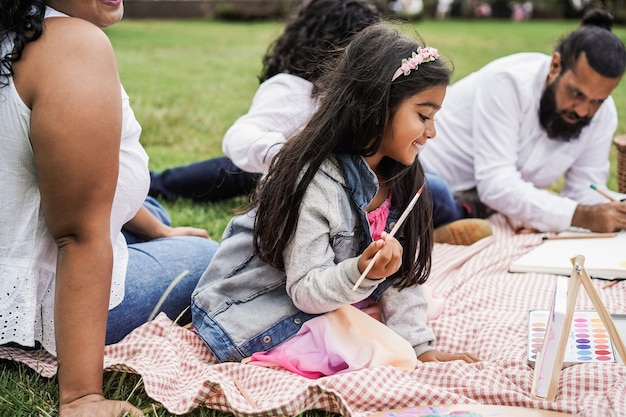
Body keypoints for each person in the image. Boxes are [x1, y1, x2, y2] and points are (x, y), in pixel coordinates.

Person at [191, 23, 479, 377]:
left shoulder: (399, 177)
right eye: (423, 116)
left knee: (416, 316)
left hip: (333, 293)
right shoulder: (315, 184)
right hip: (263, 308)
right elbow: (305, 291)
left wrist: (420, 346)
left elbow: (401, 279)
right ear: (377, 107)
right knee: (385, 352)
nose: (431, 132)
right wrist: (363, 272)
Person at [0, 1, 219, 416]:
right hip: (29, 306)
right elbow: (78, 233)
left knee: (156, 212)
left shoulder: (14, 31)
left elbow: (74, 185)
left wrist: (159, 232)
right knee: (210, 257)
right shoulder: (71, 46)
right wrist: (82, 397)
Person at [151, 0, 492, 245]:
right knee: (226, 172)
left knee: (431, 188)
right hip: (292, 172)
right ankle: (154, 184)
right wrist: (294, 157)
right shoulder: (293, 90)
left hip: (355, 184)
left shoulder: (369, 102)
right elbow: (240, 139)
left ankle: (444, 221)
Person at [419, 8, 626, 234]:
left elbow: (584, 189)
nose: (584, 110)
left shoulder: (603, 115)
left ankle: (463, 221)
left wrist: (617, 208)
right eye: (576, 94)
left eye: (597, 101)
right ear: (555, 66)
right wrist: (581, 216)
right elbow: (496, 183)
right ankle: (457, 219)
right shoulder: (509, 83)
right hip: (426, 177)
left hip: (486, 202)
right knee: (432, 192)